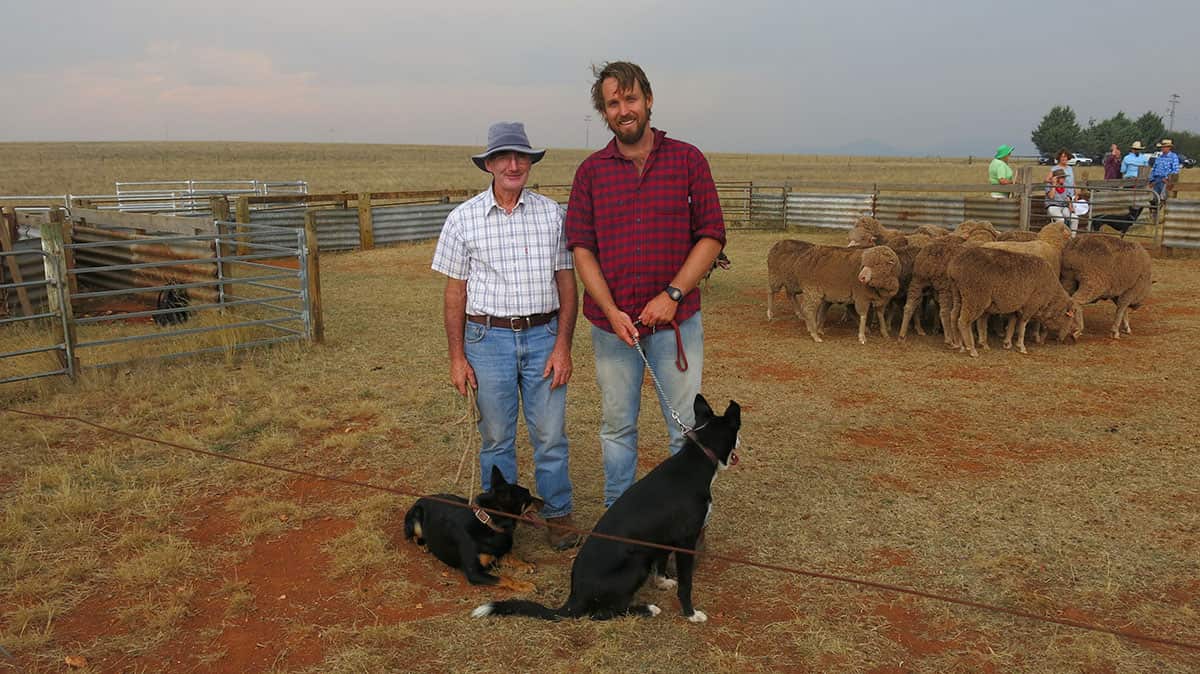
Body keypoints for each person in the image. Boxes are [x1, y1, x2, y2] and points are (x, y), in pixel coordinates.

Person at [565, 61, 726, 508]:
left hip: (677, 326)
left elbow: (711, 234)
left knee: (686, 431)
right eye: (613, 103)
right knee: (617, 426)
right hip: (612, 328)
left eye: (630, 99)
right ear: (605, 112)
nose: (623, 110)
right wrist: (611, 311)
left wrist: (673, 295)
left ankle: (689, 526)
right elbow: (582, 249)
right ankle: (620, 519)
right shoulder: (591, 172)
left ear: (648, 100)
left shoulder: (687, 160)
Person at [431, 121, 581, 550]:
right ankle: (501, 520)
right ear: (490, 165)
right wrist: (457, 357)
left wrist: (563, 345)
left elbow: (567, 285)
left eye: (522, 157)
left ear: (530, 163)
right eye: (504, 157)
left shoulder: (553, 214)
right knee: (496, 436)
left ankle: (558, 514)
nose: (514, 165)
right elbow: (455, 291)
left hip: (543, 335)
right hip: (487, 338)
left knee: (550, 433)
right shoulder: (463, 219)